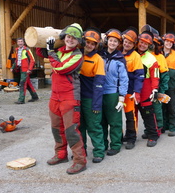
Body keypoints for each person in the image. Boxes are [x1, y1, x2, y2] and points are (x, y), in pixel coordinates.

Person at [46, 23, 87, 174]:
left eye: (74, 38)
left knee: (71, 131)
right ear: (64, 37)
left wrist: (51, 52)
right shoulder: (59, 51)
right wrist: (47, 33)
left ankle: (80, 161)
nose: (70, 40)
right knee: (56, 129)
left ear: (78, 42)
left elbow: (61, 68)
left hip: (70, 97)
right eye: (68, 37)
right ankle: (61, 154)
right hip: (55, 97)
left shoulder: (77, 56)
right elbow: (40, 50)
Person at [99, 29, 129, 156]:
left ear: (118, 44)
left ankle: (115, 145)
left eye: (115, 41)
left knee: (115, 121)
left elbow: (124, 79)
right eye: (110, 40)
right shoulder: (100, 55)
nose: (112, 43)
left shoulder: (120, 59)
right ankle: (103, 144)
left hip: (113, 93)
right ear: (107, 41)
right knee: (102, 121)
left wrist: (122, 96)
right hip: (100, 92)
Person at [79, 27, 106, 163]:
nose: (89, 45)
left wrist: (96, 103)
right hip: (77, 97)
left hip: (90, 98)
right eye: (87, 42)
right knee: (79, 126)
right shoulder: (77, 55)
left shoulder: (98, 60)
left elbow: (99, 84)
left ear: (96, 45)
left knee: (94, 126)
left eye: (92, 43)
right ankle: (81, 151)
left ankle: (99, 151)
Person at [135, 30, 160, 147]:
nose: (142, 45)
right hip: (133, 87)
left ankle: (153, 135)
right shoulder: (132, 54)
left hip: (146, 88)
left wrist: (155, 89)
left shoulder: (151, 59)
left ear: (149, 45)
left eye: (145, 43)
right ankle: (131, 135)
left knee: (148, 113)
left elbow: (155, 75)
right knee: (133, 114)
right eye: (141, 42)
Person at [121, 27, 144, 150]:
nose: (127, 44)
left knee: (130, 115)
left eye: (130, 43)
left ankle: (131, 137)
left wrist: (137, 92)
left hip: (129, 91)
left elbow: (139, 76)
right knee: (116, 116)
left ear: (134, 44)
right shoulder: (118, 52)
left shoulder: (135, 56)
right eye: (126, 41)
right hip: (116, 90)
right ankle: (119, 136)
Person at [10, 38, 39, 104]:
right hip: (21, 69)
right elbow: (17, 60)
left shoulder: (27, 50)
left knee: (22, 84)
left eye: (21, 41)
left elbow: (32, 60)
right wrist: (13, 67)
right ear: (17, 43)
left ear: (23, 42)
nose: (20, 43)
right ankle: (35, 97)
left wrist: (29, 69)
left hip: (25, 70)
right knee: (27, 84)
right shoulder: (17, 50)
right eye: (19, 42)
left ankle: (21, 100)